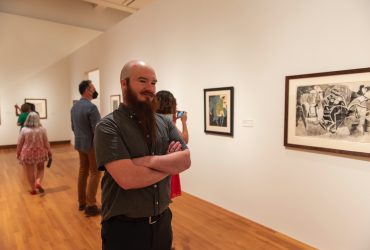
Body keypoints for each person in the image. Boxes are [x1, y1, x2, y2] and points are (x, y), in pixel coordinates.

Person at [94, 60, 191, 250]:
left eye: (153, 83)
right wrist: (170, 165)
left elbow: (186, 160)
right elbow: (129, 179)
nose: (150, 88)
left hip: (163, 221)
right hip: (124, 229)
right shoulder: (108, 126)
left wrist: (147, 161)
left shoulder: (164, 122)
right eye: (142, 81)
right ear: (124, 83)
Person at [71, 80, 102, 216]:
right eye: (93, 89)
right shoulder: (91, 108)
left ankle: (82, 202)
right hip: (91, 145)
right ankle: (91, 205)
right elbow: (97, 129)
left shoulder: (74, 107)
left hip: (79, 143)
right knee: (95, 172)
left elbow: (73, 127)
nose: (95, 91)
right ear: (88, 90)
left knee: (83, 171)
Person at [156, 90, 189, 199]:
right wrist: (183, 122)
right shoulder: (168, 120)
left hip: (157, 160)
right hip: (168, 160)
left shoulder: (154, 117)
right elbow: (184, 140)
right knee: (164, 193)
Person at [16, 112, 52, 195]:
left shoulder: (24, 130)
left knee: (29, 172)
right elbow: (46, 142)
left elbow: (20, 143)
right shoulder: (42, 129)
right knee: (40, 169)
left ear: (28, 119)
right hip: (40, 152)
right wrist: (50, 152)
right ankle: (38, 181)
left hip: (27, 153)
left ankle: (33, 189)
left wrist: (18, 153)